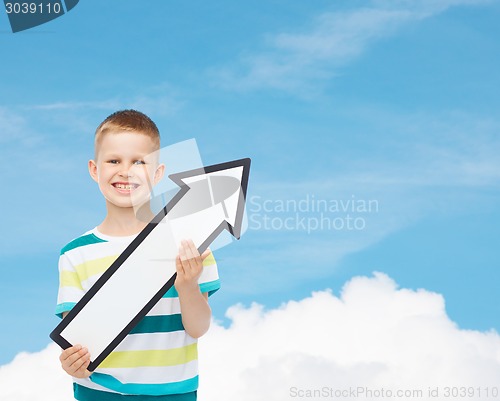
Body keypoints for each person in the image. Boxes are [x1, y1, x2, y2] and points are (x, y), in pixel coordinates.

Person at [55, 110, 220, 401]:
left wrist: (187, 285)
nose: (125, 171)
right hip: (100, 393)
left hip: (175, 393)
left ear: (158, 174)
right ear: (95, 170)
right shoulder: (75, 254)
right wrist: (75, 366)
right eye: (114, 161)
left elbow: (198, 327)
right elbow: (78, 346)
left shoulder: (189, 241)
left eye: (139, 162)